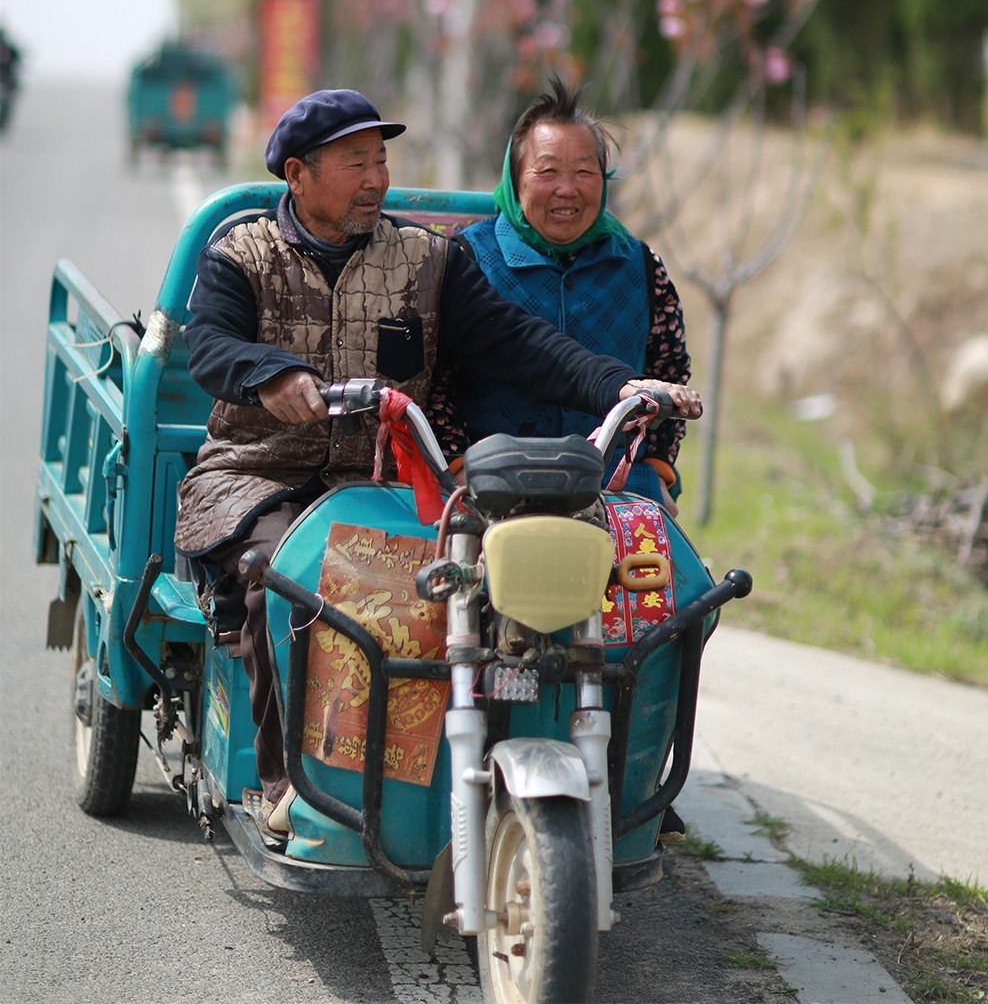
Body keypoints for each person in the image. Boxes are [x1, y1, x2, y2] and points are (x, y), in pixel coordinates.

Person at [173, 88, 701, 840]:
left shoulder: (427, 259)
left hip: (381, 483)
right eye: (355, 162)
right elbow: (210, 343)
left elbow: (521, 344)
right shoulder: (241, 254)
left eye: (381, 160)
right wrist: (270, 371)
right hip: (256, 474)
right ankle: (286, 781)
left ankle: (443, 781)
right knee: (286, 576)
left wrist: (619, 384)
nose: (376, 179)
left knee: (451, 596)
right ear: (297, 173)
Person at [448, 74, 691, 514]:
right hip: (491, 489)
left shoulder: (639, 264)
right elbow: (434, 379)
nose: (568, 188)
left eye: (584, 171)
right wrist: (457, 464)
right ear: (515, 178)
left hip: (616, 488)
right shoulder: (466, 259)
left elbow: (669, 367)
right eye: (548, 171)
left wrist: (656, 468)